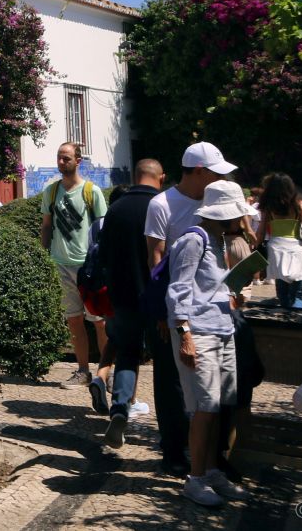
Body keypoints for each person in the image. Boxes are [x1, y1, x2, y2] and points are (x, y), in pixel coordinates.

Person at [166, 180, 253, 507]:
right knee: (204, 408)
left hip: (221, 329)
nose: (241, 220)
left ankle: (212, 470)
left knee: (216, 406)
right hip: (200, 333)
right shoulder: (194, 240)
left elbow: (206, 288)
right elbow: (178, 290)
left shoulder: (217, 240)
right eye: (237, 214)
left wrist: (232, 297)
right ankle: (196, 478)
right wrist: (185, 335)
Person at [96, 159, 185, 465]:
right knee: (165, 367)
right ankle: (171, 436)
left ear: (135, 176)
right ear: (161, 177)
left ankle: (120, 408)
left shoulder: (116, 209)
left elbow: (103, 255)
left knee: (127, 353)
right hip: (157, 297)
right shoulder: (164, 205)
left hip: (123, 296)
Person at [38, 142, 109, 391]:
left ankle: (106, 373)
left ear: (78, 161)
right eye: (59, 157)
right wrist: (43, 256)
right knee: (74, 320)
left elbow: (103, 229)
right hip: (61, 264)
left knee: (99, 321)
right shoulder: (51, 191)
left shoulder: (92, 192)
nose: (61, 162)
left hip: (89, 268)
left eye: (66, 158)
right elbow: (47, 226)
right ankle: (82, 371)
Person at [147, 142, 233, 269]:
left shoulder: (215, 200)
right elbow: (156, 256)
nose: (223, 179)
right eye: (218, 174)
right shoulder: (160, 204)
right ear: (198, 171)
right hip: (180, 280)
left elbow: (221, 246)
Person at [257, 173, 302, 310]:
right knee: (298, 294)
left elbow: (261, 232)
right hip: (296, 248)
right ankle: (298, 317)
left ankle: (286, 317)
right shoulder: (300, 205)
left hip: (276, 249)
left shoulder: (268, 207)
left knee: (282, 293)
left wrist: (257, 246)